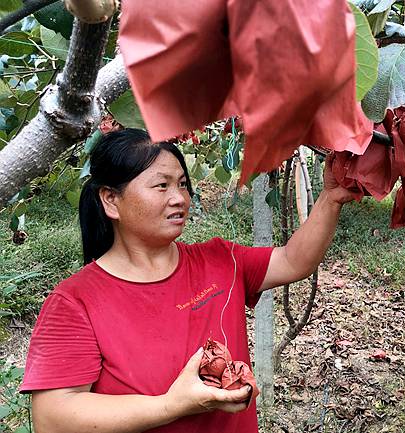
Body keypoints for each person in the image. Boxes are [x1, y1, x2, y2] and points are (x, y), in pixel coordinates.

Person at [20, 128, 357, 433]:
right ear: (111, 200)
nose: (180, 198)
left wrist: (331, 198)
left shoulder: (219, 260)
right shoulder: (75, 301)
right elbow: (53, 418)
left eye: (182, 184)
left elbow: (293, 261)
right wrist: (171, 406)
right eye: (161, 185)